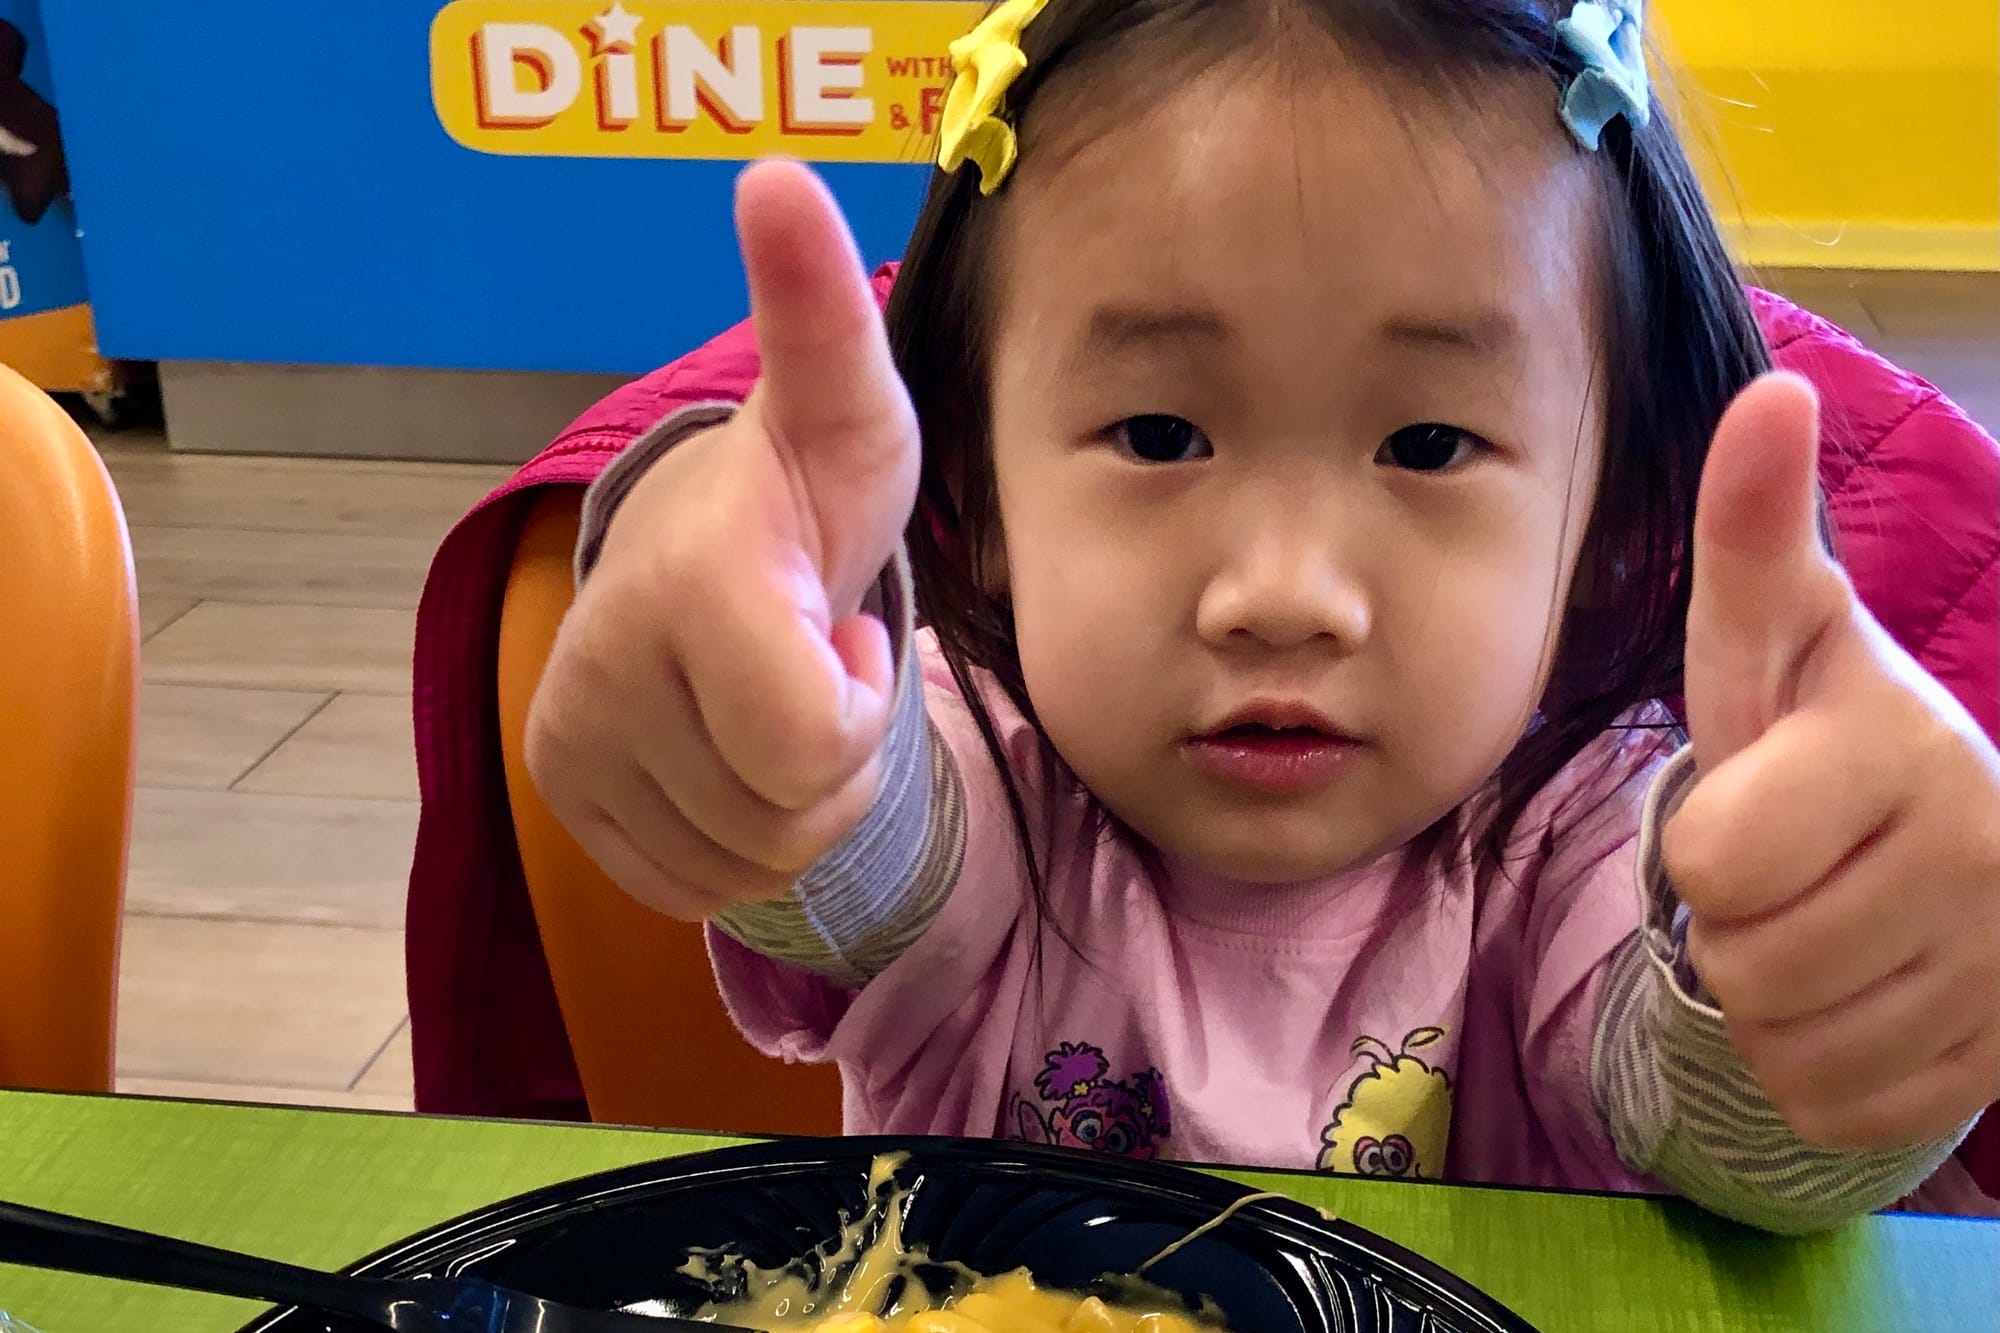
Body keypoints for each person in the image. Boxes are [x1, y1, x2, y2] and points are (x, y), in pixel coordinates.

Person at [443, 0, 2000, 1227]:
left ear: (1604, 528)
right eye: (1161, 436)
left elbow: (1749, 1146)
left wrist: (1833, 969)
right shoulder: (994, 784)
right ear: (976, 495)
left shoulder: (1584, 840)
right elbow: (854, 842)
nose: (1282, 595)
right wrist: (763, 701)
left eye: (1430, 445)